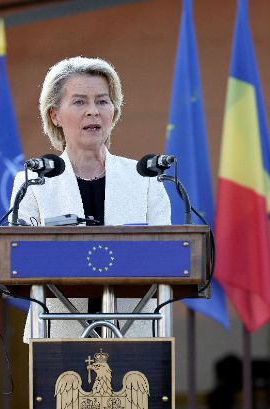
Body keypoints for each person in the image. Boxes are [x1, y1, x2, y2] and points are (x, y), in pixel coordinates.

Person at [10, 56, 171, 342]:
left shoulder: (145, 179)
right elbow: (21, 259)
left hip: (137, 334)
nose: (93, 111)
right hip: (56, 335)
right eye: (79, 102)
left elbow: (167, 256)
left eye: (102, 101)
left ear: (114, 111)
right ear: (54, 115)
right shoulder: (34, 182)